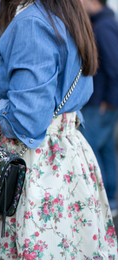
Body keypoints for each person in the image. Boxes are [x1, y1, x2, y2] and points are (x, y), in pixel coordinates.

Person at [0, 0, 118, 259]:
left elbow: (25, 121)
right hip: (63, 158)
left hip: (33, 163)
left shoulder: (33, 22)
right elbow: (42, 100)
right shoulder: (62, 14)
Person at [80, 0, 118, 218]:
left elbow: (114, 66)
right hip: (104, 103)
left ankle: (103, 204)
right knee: (105, 151)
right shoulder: (105, 22)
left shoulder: (103, 27)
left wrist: (108, 102)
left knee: (93, 154)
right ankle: (111, 201)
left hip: (101, 105)